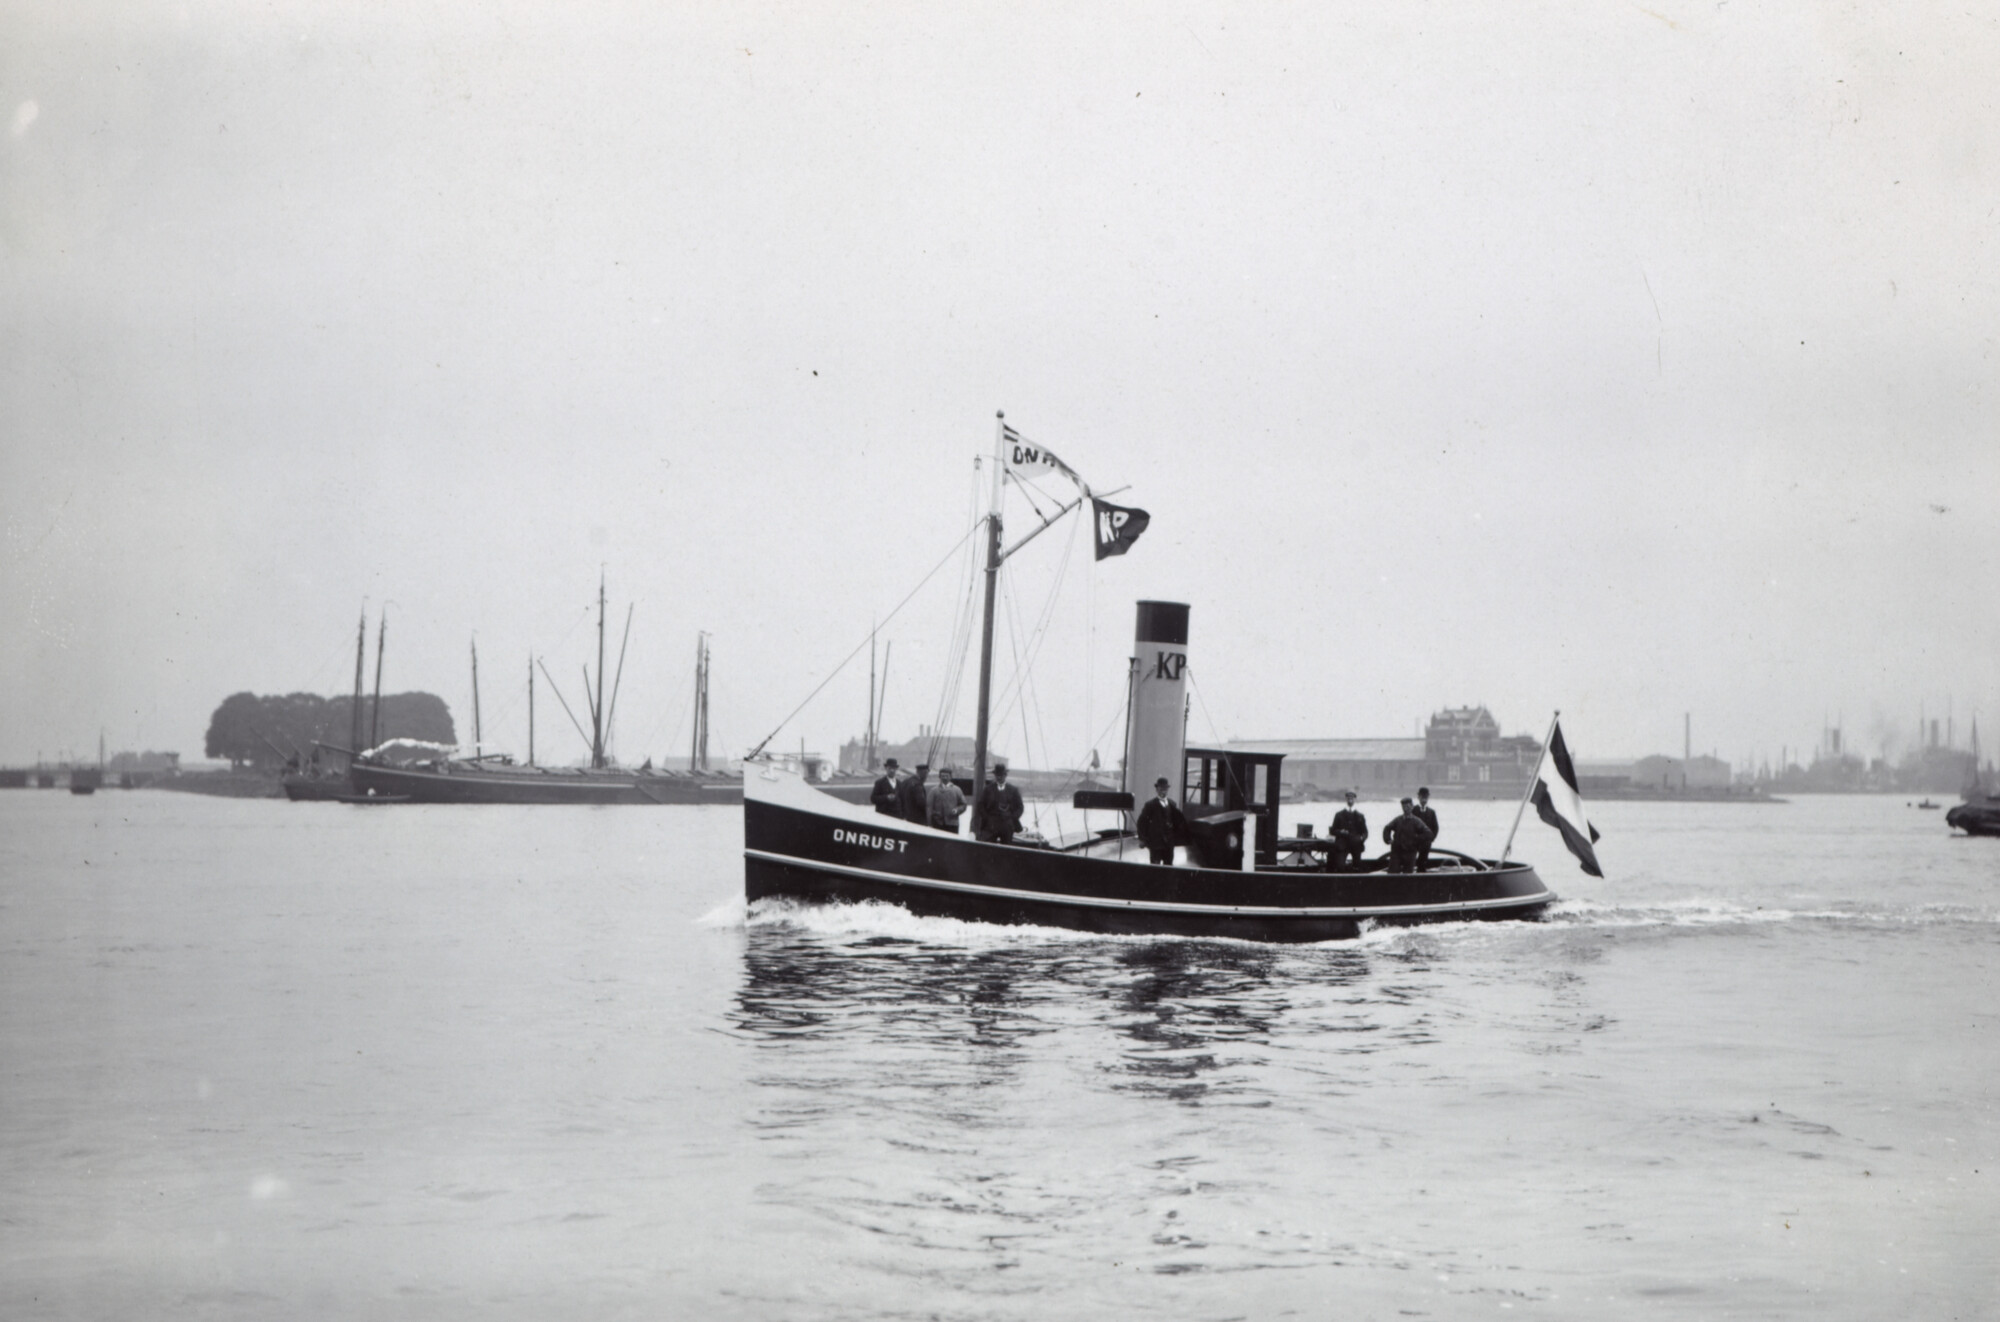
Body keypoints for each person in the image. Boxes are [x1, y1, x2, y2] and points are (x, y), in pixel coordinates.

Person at [1135, 776, 1185, 865]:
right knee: (1155, 868)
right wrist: (1142, 839)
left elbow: (1177, 822)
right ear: (1157, 789)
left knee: (1168, 866)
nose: (1163, 790)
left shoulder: (1172, 804)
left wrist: (1176, 837)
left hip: (1169, 844)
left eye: (1165, 788)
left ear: (1167, 789)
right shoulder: (1150, 805)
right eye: (1161, 788)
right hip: (1155, 843)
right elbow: (1141, 822)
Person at [974, 761, 1025, 844]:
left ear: (1005, 775)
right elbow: (980, 805)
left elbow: (1020, 807)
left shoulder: (1013, 790)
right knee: (989, 848)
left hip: (1007, 825)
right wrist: (987, 818)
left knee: (1006, 849)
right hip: (991, 824)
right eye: (997, 775)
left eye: (1001, 775)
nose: (999, 777)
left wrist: (1012, 818)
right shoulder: (988, 789)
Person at [1381, 797, 1435, 873]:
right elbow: (1387, 828)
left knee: (1408, 874)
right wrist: (1388, 840)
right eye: (1403, 807)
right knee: (1392, 873)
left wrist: (1416, 839)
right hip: (1397, 852)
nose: (1405, 809)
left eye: (1407, 806)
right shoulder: (1398, 820)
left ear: (1412, 807)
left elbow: (1429, 834)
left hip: (1410, 852)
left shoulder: (1416, 821)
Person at [1328, 790, 1368, 871]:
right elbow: (1332, 830)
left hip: (1356, 845)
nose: (1350, 800)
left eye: (1352, 798)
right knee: (1340, 867)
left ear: (1354, 800)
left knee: (1357, 867)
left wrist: (1361, 838)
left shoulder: (1360, 816)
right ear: (1346, 799)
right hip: (1342, 845)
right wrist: (1340, 832)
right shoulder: (1339, 815)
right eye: (1348, 798)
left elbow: (1365, 832)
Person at [927, 765, 968, 833]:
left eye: (947, 776)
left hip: (952, 823)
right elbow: (929, 807)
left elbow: (964, 804)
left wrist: (956, 810)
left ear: (950, 777)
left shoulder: (957, 790)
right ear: (939, 777)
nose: (945, 778)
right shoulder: (933, 791)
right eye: (943, 776)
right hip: (937, 823)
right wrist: (930, 822)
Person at [1412, 786, 1438, 869]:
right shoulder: (1413, 810)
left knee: (1423, 862)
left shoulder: (1431, 812)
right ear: (1418, 797)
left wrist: (1431, 839)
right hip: (1414, 842)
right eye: (1422, 797)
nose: (1424, 799)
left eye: (1426, 797)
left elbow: (1435, 827)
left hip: (1426, 843)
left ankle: (1422, 873)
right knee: (1411, 861)